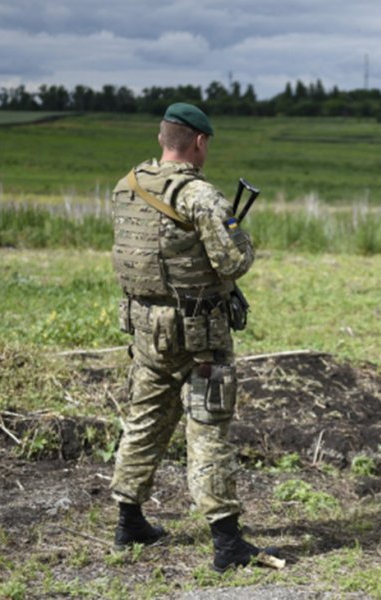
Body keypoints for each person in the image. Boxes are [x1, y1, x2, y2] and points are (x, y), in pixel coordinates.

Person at [108, 102, 281, 571]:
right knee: (208, 426)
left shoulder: (128, 186)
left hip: (145, 327)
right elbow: (233, 262)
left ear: (164, 139)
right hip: (198, 333)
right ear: (199, 142)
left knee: (144, 417)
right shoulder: (199, 196)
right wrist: (241, 238)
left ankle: (129, 521)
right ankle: (227, 542)